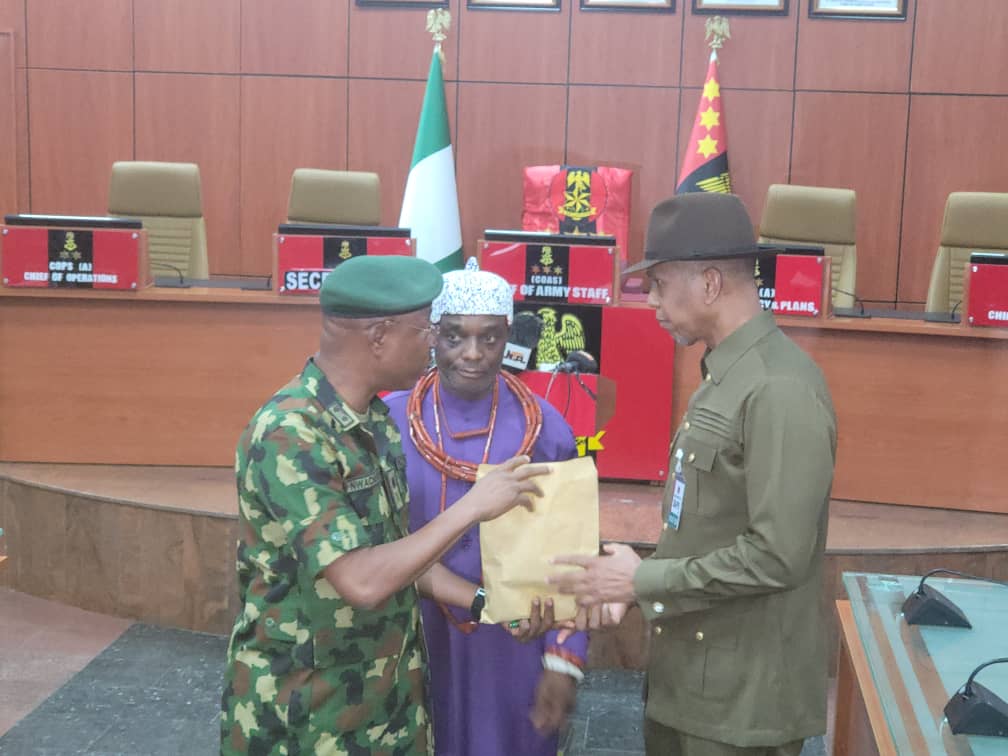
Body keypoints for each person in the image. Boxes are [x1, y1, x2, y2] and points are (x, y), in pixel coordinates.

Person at [220, 255, 551, 755]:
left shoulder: (374, 421)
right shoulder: (291, 433)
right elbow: (363, 580)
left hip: (385, 706)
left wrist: (487, 603)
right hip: (306, 715)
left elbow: (401, 558)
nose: (433, 343)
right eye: (426, 330)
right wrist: (472, 507)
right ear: (379, 337)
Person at [550, 193, 838, 756]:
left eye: (659, 283)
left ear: (709, 283)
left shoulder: (779, 389)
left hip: (742, 701)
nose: (652, 300)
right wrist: (634, 585)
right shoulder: (724, 374)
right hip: (690, 682)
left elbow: (777, 555)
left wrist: (643, 580)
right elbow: (708, 525)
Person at [385, 258, 589, 756]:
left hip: (511, 638)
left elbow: (573, 553)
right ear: (432, 335)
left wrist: (563, 659)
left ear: (508, 337)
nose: (473, 354)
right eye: (455, 336)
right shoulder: (389, 420)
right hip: (409, 632)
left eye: (490, 338)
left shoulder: (546, 428)